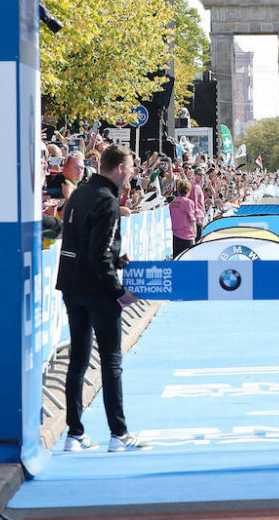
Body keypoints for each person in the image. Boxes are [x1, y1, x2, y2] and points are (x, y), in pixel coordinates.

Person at [56, 144, 151, 452]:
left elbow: (87, 244)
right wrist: (120, 292)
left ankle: (74, 433)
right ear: (120, 169)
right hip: (97, 290)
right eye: (132, 167)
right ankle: (119, 434)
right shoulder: (108, 202)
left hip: (72, 285)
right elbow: (98, 254)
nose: (134, 173)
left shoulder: (80, 193)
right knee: (111, 361)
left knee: (78, 361)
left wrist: (117, 259)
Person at [169, 178, 200, 257]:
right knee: (189, 259)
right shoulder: (188, 202)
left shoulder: (172, 203)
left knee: (177, 258)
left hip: (176, 234)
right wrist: (195, 233)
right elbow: (192, 219)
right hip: (187, 235)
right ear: (189, 190)